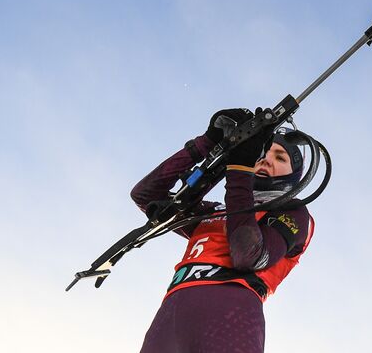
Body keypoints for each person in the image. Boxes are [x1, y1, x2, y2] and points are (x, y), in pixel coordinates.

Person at [131, 108, 314, 353]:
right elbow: (146, 196)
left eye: (280, 158)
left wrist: (240, 167)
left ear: (294, 175)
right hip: (170, 314)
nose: (267, 160)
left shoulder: (294, 212)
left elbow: (247, 255)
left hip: (231, 311)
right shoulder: (218, 212)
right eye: (261, 155)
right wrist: (206, 143)